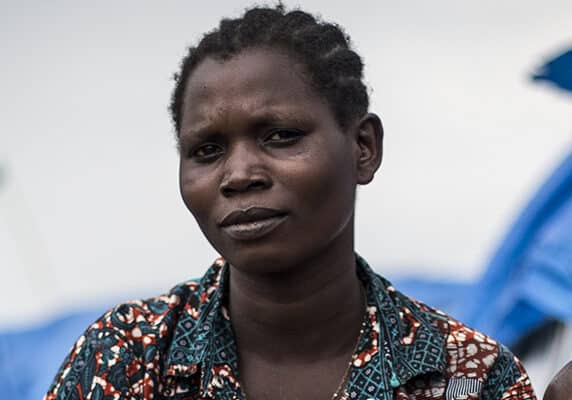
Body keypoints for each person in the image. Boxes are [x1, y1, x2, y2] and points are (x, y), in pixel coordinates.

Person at [44, 5, 537, 400]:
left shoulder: (466, 376)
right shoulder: (126, 356)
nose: (239, 175)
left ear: (363, 147)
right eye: (207, 150)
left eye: (281, 136)